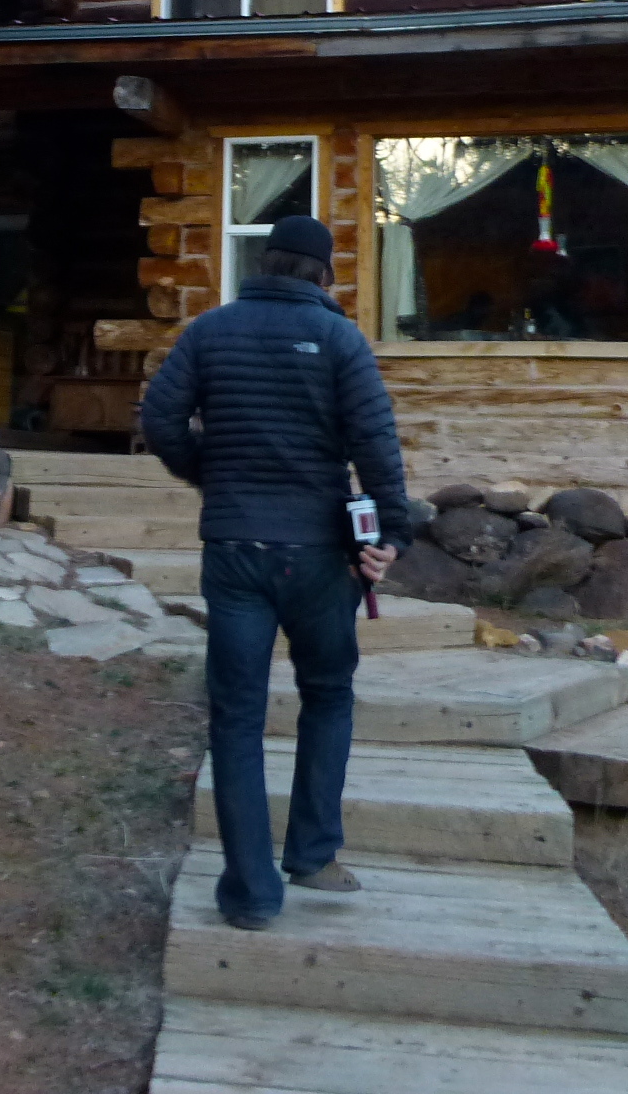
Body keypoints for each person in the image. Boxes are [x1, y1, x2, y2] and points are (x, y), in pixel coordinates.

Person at [138, 212, 412, 931]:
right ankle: (313, 856)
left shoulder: (209, 331)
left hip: (234, 551)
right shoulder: (340, 339)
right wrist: (391, 535)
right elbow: (376, 444)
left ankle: (252, 894)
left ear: (265, 264)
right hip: (320, 555)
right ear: (325, 273)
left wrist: (213, 474)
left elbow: (159, 419)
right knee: (328, 694)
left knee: (237, 717)